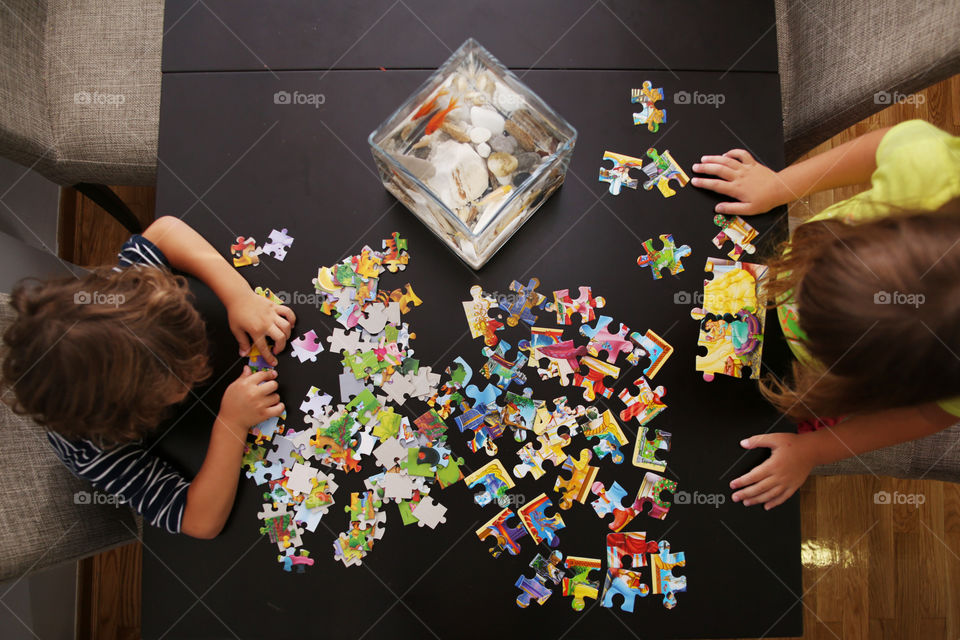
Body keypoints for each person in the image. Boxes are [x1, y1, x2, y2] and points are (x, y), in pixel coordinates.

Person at [690, 119, 960, 509]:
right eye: (815, 276)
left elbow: (930, 415)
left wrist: (813, 450)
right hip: (760, 284)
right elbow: (891, 141)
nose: (798, 307)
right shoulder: (933, 171)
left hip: (809, 380)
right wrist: (779, 186)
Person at [1, 216, 295, 538]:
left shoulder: (125, 299)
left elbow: (165, 231)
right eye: (184, 373)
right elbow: (199, 521)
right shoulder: (95, 450)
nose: (201, 360)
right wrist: (232, 424)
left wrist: (239, 297)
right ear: (136, 411)